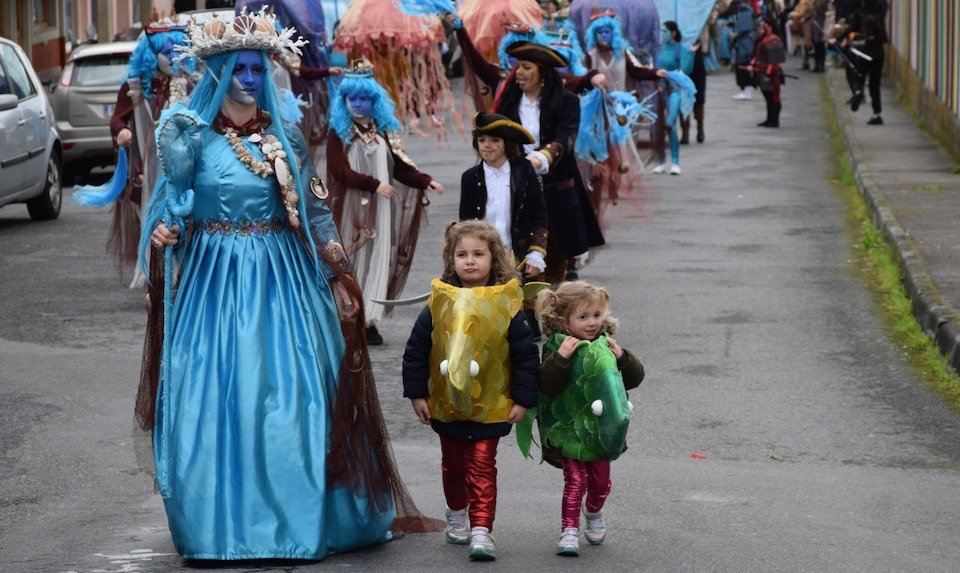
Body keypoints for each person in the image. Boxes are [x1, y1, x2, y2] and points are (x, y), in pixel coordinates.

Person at [139, 8, 435, 560]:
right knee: (216, 390)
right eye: (240, 70)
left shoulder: (289, 136)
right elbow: (173, 208)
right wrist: (164, 231)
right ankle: (221, 527)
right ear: (218, 73)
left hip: (284, 274)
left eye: (258, 70)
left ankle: (302, 519)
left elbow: (316, 211)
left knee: (296, 388)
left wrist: (336, 262)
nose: (251, 81)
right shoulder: (190, 136)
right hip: (214, 279)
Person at [402, 220, 540, 561]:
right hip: (447, 402)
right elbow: (417, 349)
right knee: (452, 465)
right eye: (461, 254)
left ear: (494, 258)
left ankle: (482, 529)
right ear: (452, 260)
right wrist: (418, 394)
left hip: (491, 403)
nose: (470, 261)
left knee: (481, 464)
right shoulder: (440, 303)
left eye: (479, 254)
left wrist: (523, 400)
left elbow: (524, 356)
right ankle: (456, 513)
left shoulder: (506, 304)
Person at [324, 58, 445, 346]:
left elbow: (401, 167)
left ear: (374, 100)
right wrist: (374, 184)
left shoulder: (382, 130)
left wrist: (425, 180)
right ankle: (347, 316)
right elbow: (338, 171)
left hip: (381, 210)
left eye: (364, 98)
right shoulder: (338, 133)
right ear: (344, 100)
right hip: (350, 206)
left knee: (379, 258)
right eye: (352, 98)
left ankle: (369, 320)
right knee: (351, 258)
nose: (357, 104)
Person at [74, 10, 196, 287]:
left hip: (179, 165)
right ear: (153, 54)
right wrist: (122, 131)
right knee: (151, 219)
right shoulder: (133, 88)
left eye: (178, 52)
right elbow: (117, 118)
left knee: (181, 215)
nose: (174, 59)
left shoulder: (190, 84)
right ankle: (154, 270)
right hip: (144, 166)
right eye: (168, 51)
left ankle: (181, 270)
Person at [531, 280, 644, 556]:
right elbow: (546, 385)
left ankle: (593, 512)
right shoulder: (558, 346)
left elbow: (635, 378)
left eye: (596, 315)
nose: (592, 323)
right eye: (583, 317)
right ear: (563, 321)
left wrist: (623, 357)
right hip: (568, 430)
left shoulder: (606, 345)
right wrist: (560, 358)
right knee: (575, 481)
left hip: (600, 430)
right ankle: (569, 530)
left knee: (600, 482)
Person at [491, 40, 605, 283]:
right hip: (514, 185)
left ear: (542, 74)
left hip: (555, 186)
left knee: (553, 254)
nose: (518, 72)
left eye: (526, 67)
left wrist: (540, 157)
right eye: (517, 67)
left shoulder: (566, 101)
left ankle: (551, 305)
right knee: (517, 251)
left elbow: (567, 138)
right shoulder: (508, 100)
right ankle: (525, 309)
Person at [459, 112, 548, 279]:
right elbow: (465, 224)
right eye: (482, 140)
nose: (487, 145)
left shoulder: (524, 171)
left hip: (518, 256)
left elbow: (539, 214)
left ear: (507, 144)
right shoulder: (469, 177)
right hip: (482, 258)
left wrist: (536, 253)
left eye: (495, 140)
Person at [652, 21, 696, 175]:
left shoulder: (680, 49)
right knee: (656, 127)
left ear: (673, 32)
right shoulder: (657, 48)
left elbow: (686, 71)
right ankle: (662, 161)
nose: (661, 33)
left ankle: (675, 162)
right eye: (660, 30)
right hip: (658, 91)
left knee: (670, 123)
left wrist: (691, 54)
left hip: (674, 92)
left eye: (664, 30)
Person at [852, 0, 888, 125]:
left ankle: (858, 92)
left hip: (865, 53)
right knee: (875, 85)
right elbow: (884, 39)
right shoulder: (880, 18)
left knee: (858, 76)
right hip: (879, 54)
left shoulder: (866, 19)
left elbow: (863, 38)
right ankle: (877, 114)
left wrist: (852, 43)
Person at [751, 15, 786, 127]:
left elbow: (774, 60)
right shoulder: (763, 38)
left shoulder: (774, 39)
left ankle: (774, 120)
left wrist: (769, 73)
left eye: (763, 23)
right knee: (767, 96)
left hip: (771, 73)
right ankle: (769, 119)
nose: (761, 26)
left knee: (773, 96)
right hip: (761, 71)